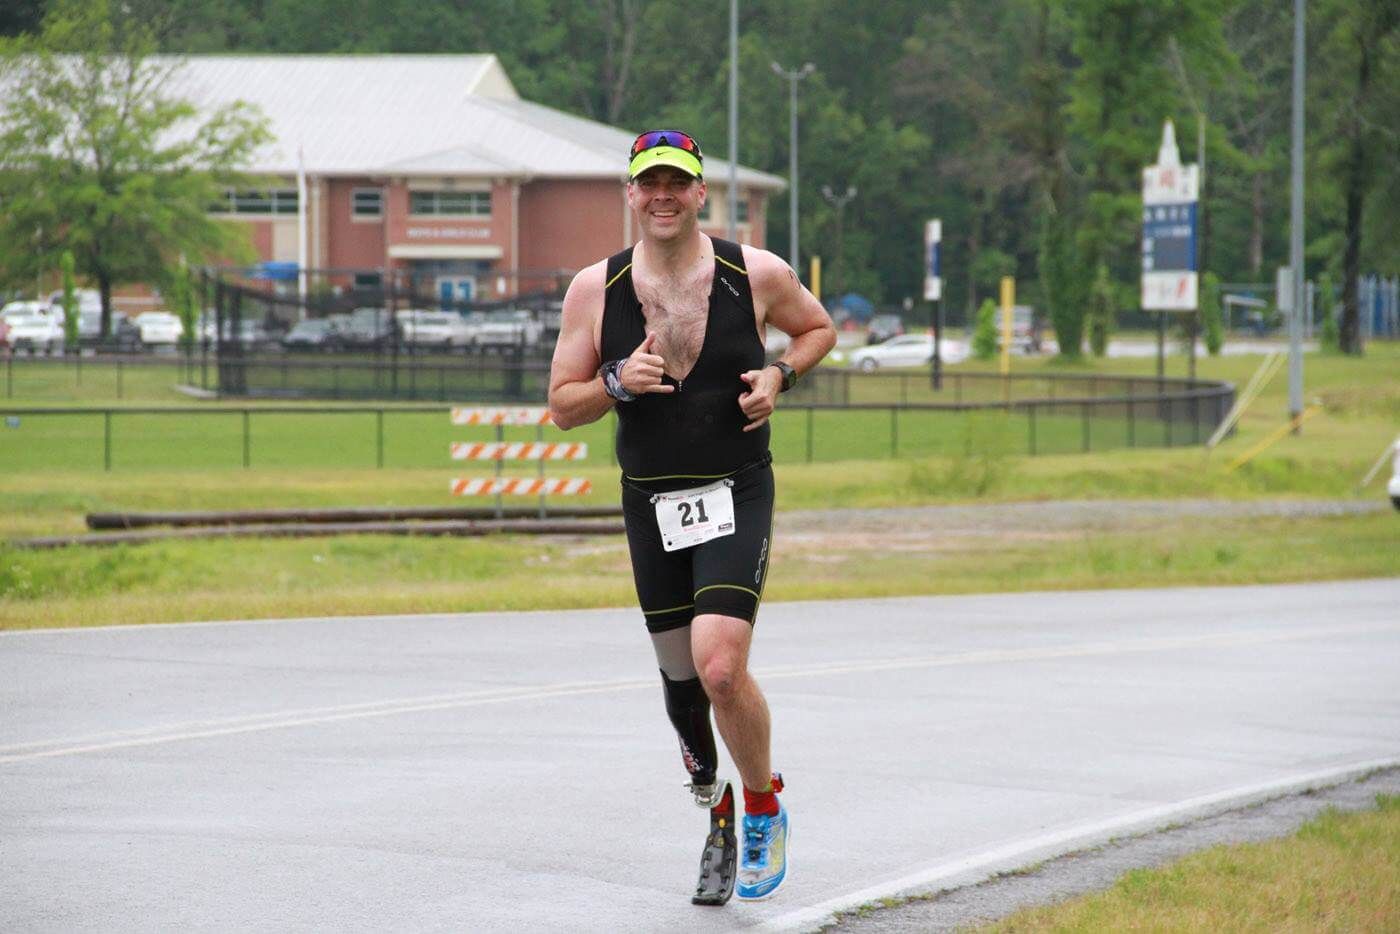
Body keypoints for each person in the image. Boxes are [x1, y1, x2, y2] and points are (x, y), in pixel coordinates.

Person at [548, 129, 835, 901]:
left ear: (702, 192)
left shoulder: (756, 272)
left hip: (736, 490)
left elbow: (819, 328)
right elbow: (561, 407)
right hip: (651, 505)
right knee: (682, 688)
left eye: (679, 183)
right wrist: (614, 381)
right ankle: (717, 810)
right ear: (631, 195)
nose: (664, 196)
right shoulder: (593, 290)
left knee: (719, 665)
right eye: (651, 184)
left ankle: (764, 806)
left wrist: (780, 375)